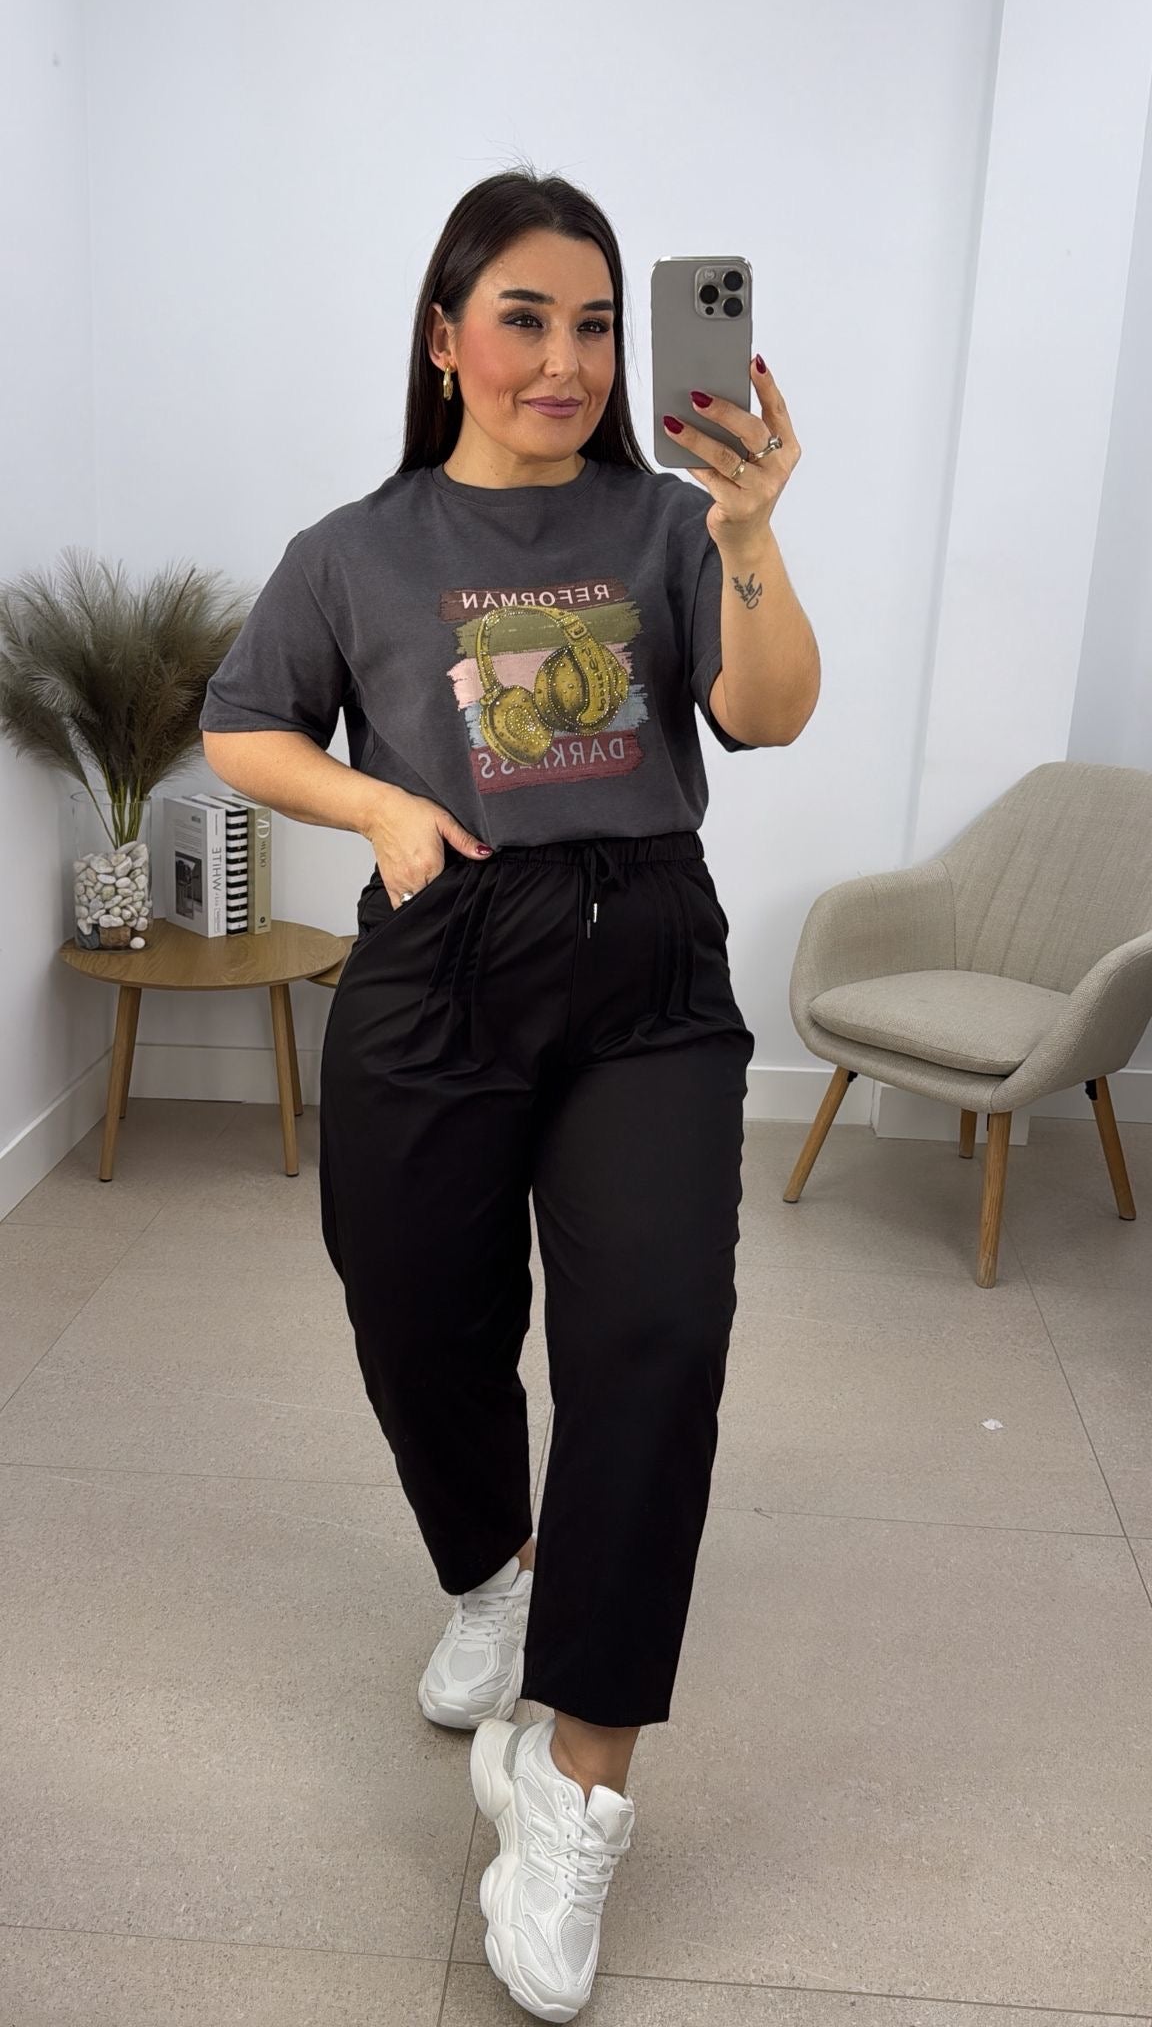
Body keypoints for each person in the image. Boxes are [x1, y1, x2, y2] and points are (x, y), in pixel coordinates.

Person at [201, 165, 818, 2024]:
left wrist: (755, 533)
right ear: (445, 335)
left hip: (645, 960)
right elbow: (243, 723)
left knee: (656, 1335)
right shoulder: (356, 547)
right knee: (413, 1304)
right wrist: (379, 805)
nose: (567, 359)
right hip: (444, 942)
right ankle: (493, 1569)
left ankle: (575, 1779)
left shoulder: (671, 520)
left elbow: (770, 713)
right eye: (527, 318)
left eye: (598, 323)